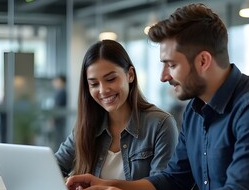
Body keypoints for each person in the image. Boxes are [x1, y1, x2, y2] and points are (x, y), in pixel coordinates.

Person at [66, 4, 249, 190]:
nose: (164, 77)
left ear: (203, 61)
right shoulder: (195, 109)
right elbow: (174, 181)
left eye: (171, 65)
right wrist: (108, 186)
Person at [55, 39, 178, 180]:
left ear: (130, 75)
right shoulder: (87, 126)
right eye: (94, 84)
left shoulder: (160, 125)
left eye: (111, 79)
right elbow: (52, 168)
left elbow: (161, 188)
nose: (103, 90)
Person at [51, 75, 68, 148]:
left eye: (57, 81)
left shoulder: (61, 92)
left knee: (59, 138)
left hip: (59, 119)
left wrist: (53, 118)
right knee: (58, 138)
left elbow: (57, 107)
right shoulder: (60, 92)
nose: (55, 83)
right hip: (59, 119)